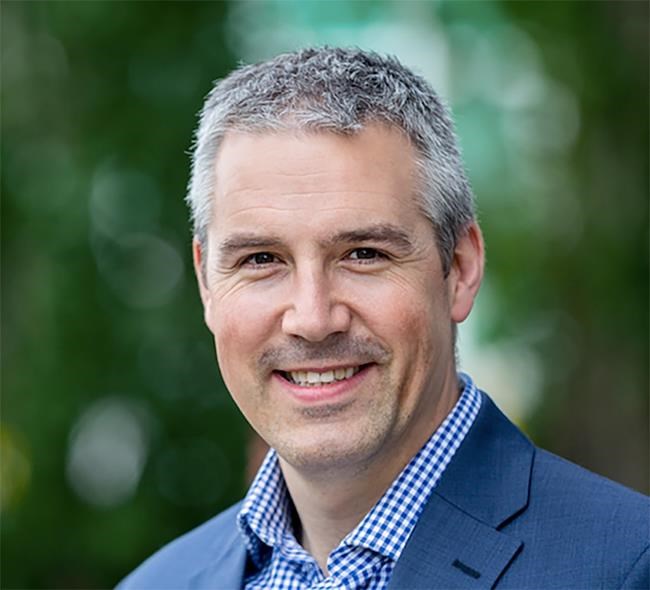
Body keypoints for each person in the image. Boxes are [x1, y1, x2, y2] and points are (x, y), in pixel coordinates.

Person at [118, 47, 649, 589]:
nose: (313, 318)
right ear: (207, 283)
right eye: (261, 260)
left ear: (459, 269)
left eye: (364, 254)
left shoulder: (626, 567)